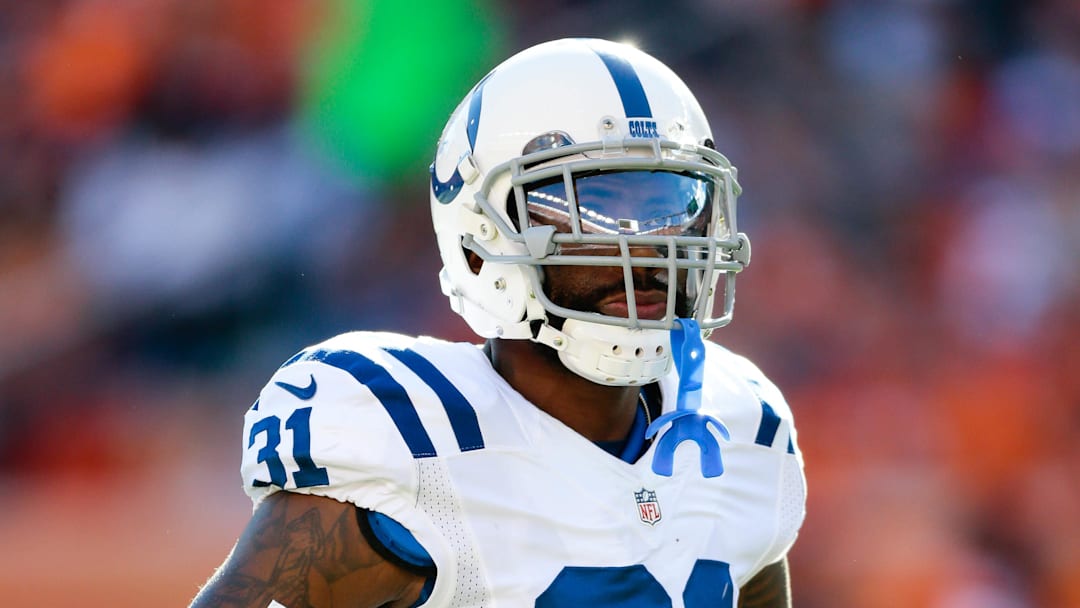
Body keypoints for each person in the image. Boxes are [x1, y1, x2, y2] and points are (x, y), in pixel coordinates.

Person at [190, 38, 806, 608]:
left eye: (671, 206)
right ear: (482, 239)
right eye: (596, 207)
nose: (648, 248)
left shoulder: (741, 430)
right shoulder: (411, 443)